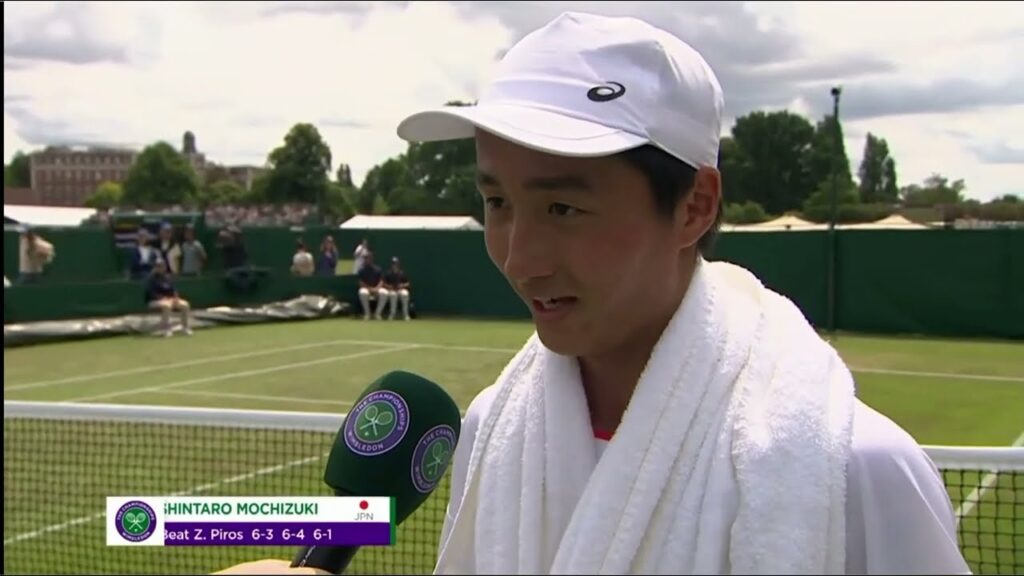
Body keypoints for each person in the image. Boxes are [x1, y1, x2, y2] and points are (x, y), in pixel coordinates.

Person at [213, 10, 968, 576]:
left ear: (695, 206)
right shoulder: (494, 430)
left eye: (563, 208)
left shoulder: (857, 470)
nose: (520, 258)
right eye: (498, 203)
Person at [145, 259, 192, 337]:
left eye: (163, 266)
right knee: (167, 306)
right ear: (155, 267)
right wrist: (163, 298)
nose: (161, 268)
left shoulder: (167, 277)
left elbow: (173, 290)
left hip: (170, 300)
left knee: (185, 305)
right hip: (154, 301)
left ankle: (185, 328)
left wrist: (176, 298)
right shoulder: (151, 279)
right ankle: (166, 330)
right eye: (159, 266)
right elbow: (151, 293)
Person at [356, 252, 388, 320]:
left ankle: (377, 314)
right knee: (362, 292)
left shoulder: (378, 269)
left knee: (385, 293)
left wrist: (376, 288)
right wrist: (370, 289)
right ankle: (367, 314)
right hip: (366, 288)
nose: (367, 260)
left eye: (368, 258)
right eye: (365, 258)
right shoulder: (361, 270)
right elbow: (360, 282)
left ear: (372, 259)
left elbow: (381, 281)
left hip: (377, 288)